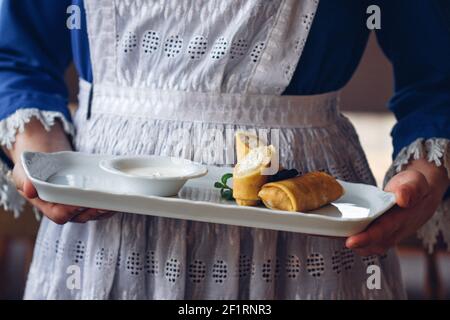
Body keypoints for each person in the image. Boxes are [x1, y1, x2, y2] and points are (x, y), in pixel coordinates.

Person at [0, 0, 449, 299]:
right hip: (101, 219)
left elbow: (437, 74)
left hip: (303, 232)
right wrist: (43, 158)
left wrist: (427, 174)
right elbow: (16, 55)